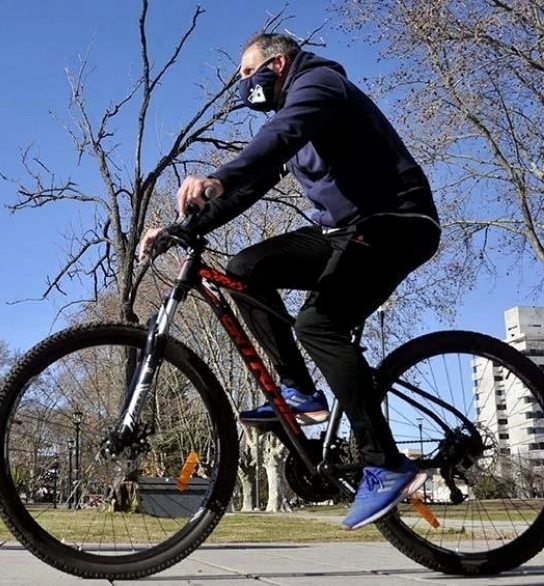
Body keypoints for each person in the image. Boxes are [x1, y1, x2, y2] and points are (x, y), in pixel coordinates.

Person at [140, 32, 441, 530]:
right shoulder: (292, 118)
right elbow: (254, 182)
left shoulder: (320, 83)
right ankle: (300, 392)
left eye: (245, 73)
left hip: (395, 221)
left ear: (276, 64)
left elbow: (284, 133)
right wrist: (184, 228)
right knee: (245, 268)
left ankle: (385, 462)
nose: (243, 85)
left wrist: (218, 174)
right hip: (346, 231)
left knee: (318, 324)